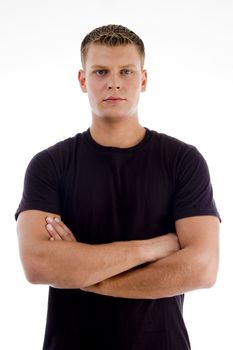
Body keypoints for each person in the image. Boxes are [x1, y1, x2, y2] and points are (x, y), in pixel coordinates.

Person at [16, 24, 220, 350]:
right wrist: (153, 248)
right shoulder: (49, 164)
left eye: (126, 71)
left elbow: (203, 269)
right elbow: (39, 264)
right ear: (83, 81)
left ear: (144, 79)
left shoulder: (183, 160)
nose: (113, 81)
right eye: (100, 71)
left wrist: (83, 276)